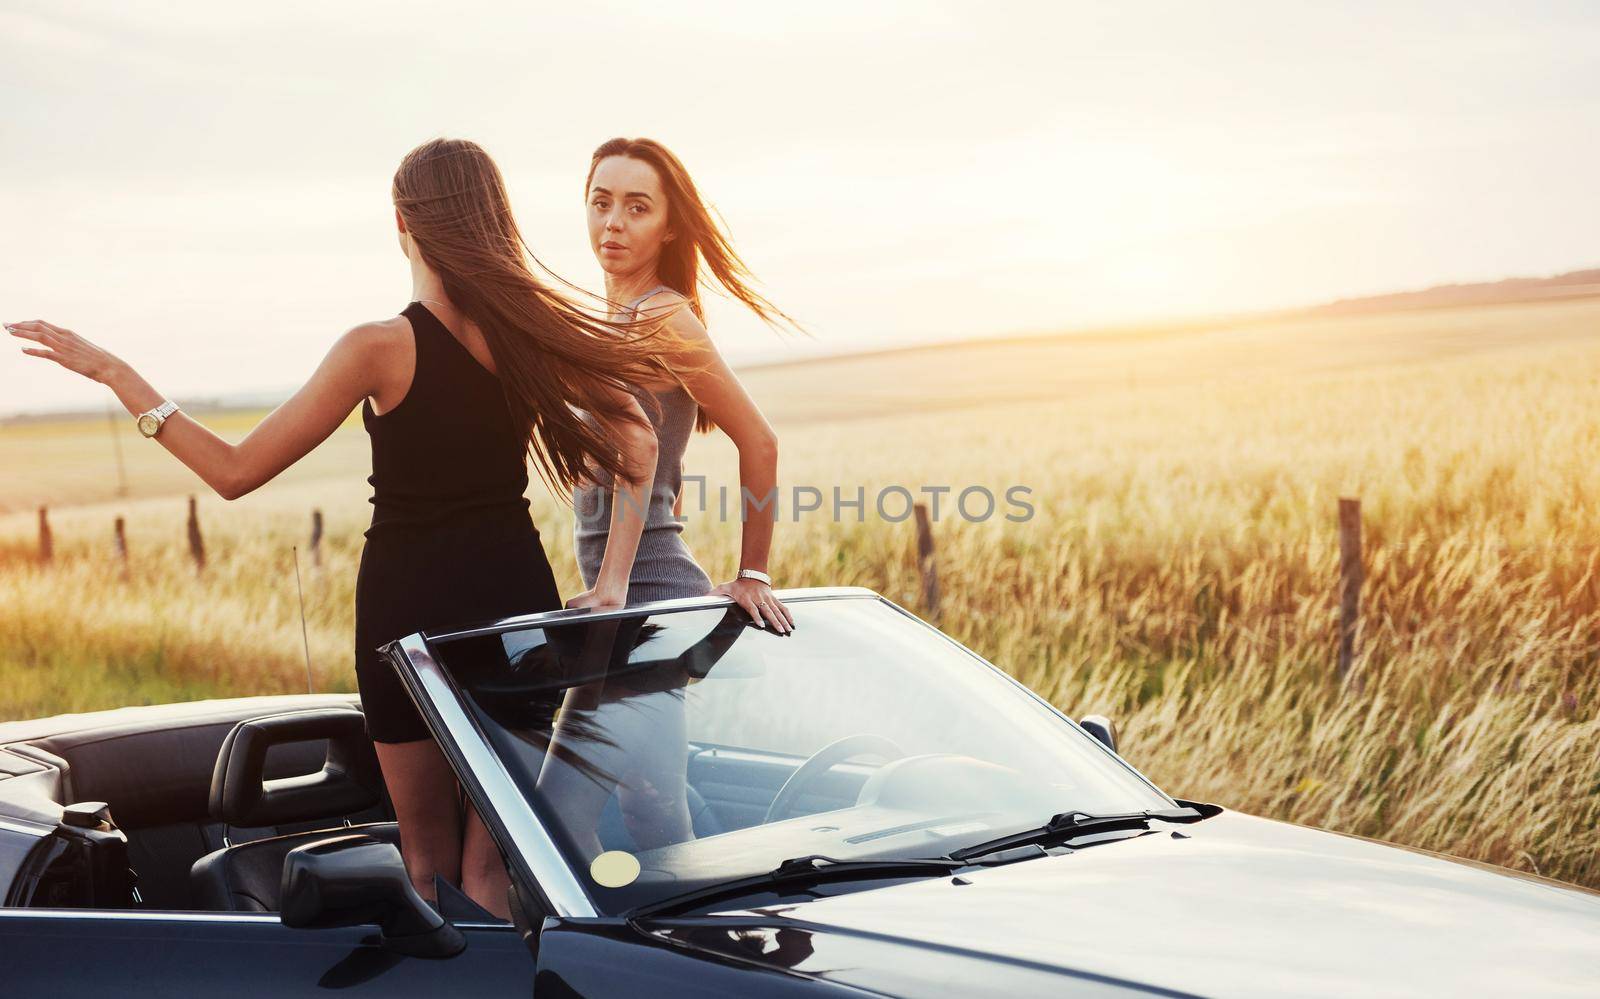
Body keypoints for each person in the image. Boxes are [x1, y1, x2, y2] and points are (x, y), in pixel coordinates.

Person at [7, 137, 674, 919]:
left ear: (403, 222)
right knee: (497, 864)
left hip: (408, 620)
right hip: (513, 608)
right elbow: (639, 440)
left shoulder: (379, 346)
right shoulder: (527, 335)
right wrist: (613, 582)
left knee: (426, 863)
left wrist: (118, 377)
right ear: (493, 221)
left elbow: (233, 471)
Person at [533, 136, 801, 861]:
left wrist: (754, 574)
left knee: (561, 819)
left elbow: (761, 441)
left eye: (636, 207)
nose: (612, 223)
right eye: (600, 202)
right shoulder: (610, 320)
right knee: (651, 815)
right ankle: (693, 950)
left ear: (669, 225)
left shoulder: (663, 317)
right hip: (627, 601)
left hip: (649, 597)